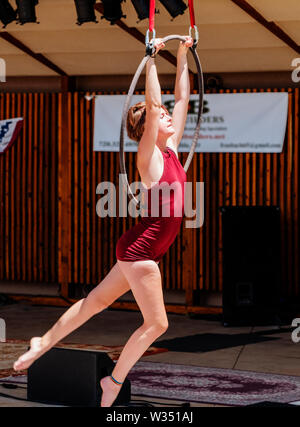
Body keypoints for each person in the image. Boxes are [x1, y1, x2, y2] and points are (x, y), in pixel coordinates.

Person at [13, 35, 194, 407]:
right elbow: (158, 102)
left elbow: (180, 100)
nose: (168, 117)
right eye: (160, 118)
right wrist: (150, 59)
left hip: (138, 248)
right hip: (142, 252)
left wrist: (181, 53)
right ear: (148, 129)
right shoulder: (150, 161)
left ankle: (41, 345)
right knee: (157, 324)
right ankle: (112, 382)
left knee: (93, 302)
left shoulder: (171, 149)